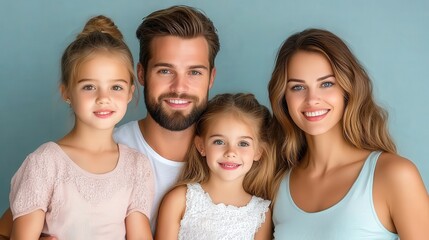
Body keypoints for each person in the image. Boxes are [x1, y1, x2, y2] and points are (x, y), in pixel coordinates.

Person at [0, 5, 219, 239]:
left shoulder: (233, 156)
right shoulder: (71, 154)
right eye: (165, 71)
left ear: (211, 78)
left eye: (194, 72)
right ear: (141, 74)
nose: (179, 87)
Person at [269, 28, 429, 239]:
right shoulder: (276, 183)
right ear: (283, 98)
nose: (312, 99)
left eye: (326, 84)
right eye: (297, 87)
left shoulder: (393, 175)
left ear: (348, 89)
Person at [8, 15, 154, 240]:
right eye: (89, 87)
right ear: (66, 92)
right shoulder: (45, 163)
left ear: (130, 93)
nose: (103, 98)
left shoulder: (137, 167)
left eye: (116, 87)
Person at [156, 93, 274, 240]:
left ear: (258, 152)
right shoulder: (180, 200)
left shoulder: (260, 214)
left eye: (243, 143)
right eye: (219, 142)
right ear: (201, 146)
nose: (231, 152)